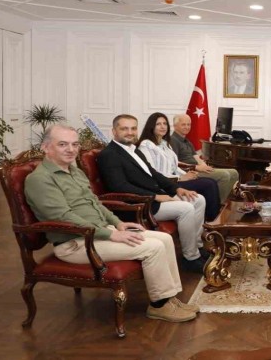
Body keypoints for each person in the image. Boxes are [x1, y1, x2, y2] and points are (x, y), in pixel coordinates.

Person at [24, 124, 198, 323]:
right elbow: (63, 217)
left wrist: (118, 223)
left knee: (165, 239)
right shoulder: (40, 179)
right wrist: (112, 234)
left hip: (99, 233)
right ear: (46, 147)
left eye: (74, 144)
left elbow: (95, 203)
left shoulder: (74, 171)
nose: (71, 149)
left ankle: (169, 298)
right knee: (153, 247)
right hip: (75, 243)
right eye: (62, 144)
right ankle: (159, 305)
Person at [97, 114, 208, 273]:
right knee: (186, 208)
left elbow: (154, 174)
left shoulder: (134, 150)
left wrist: (176, 189)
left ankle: (197, 246)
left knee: (198, 199)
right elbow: (119, 186)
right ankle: (191, 258)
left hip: (153, 196)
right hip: (137, 204)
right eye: (124, 129)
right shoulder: (109, 154)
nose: (130, 132)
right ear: (114, 131)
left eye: (133, 128)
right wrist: (155, 196)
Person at [137, 112, 221, 221]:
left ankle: (210, 219)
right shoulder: (146, 145)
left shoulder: (165, 143)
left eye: (165, 124)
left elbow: (174, 166)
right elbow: (152, 172)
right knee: (209, 184)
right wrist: (180, 178)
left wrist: (187, 174)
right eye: (158, 124)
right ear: (151, 126)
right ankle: (213, 221)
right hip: (165, 184)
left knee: (209, 182)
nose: (163, 126)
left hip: (175, 180)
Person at [170, 114, 240, 204]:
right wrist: (196, 167)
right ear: (175, 126)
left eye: (188, 124)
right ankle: (219, 205)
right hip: (189, 171)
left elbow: (196, 157)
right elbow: (174, 162)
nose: (187, 127)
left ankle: (222, 201)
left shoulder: (186, 141)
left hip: (199, 168)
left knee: (234, 173)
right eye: (183, 124)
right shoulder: (172, 140)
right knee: (224, 175)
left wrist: (205, 166)